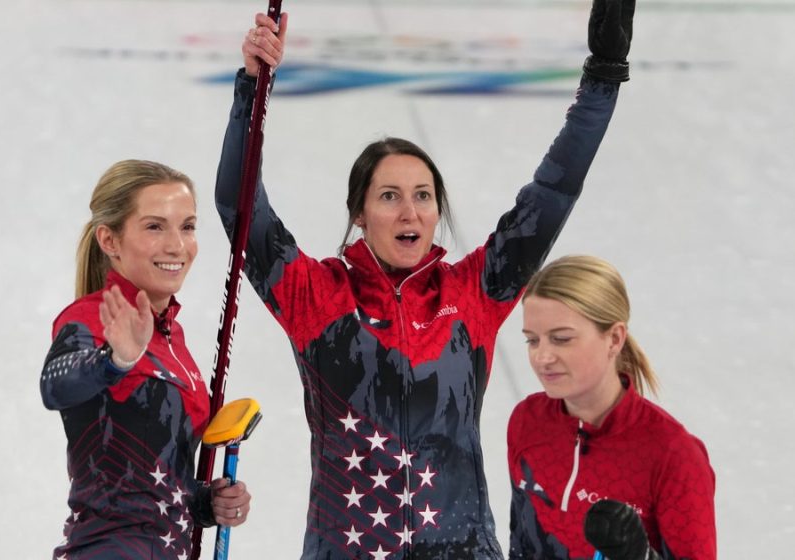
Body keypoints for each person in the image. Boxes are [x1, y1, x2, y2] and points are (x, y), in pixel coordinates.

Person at [217, 1, 633, 556]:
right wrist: (252, 85)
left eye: (423, 197)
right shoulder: (317, 295)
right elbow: (239, 206)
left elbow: (552, 193)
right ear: (359, 213)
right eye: (389, 197)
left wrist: (602, 79)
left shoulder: (474, 292)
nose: (410, 212)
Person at [40, 160, 252, 559]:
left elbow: (153, 478)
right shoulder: (93, 318)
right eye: (155, 226)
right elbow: (55, 385)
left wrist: (205, 503)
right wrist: (112, 359)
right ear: (110, 240)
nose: (176, 245)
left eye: (187, 226)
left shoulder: (174, 339)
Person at [506, 255, 716, 559]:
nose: (542, 357)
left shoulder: (674, 456)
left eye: (561, 339)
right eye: (532, 341)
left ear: (614, 338)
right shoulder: (527, 422)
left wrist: (642, 556)